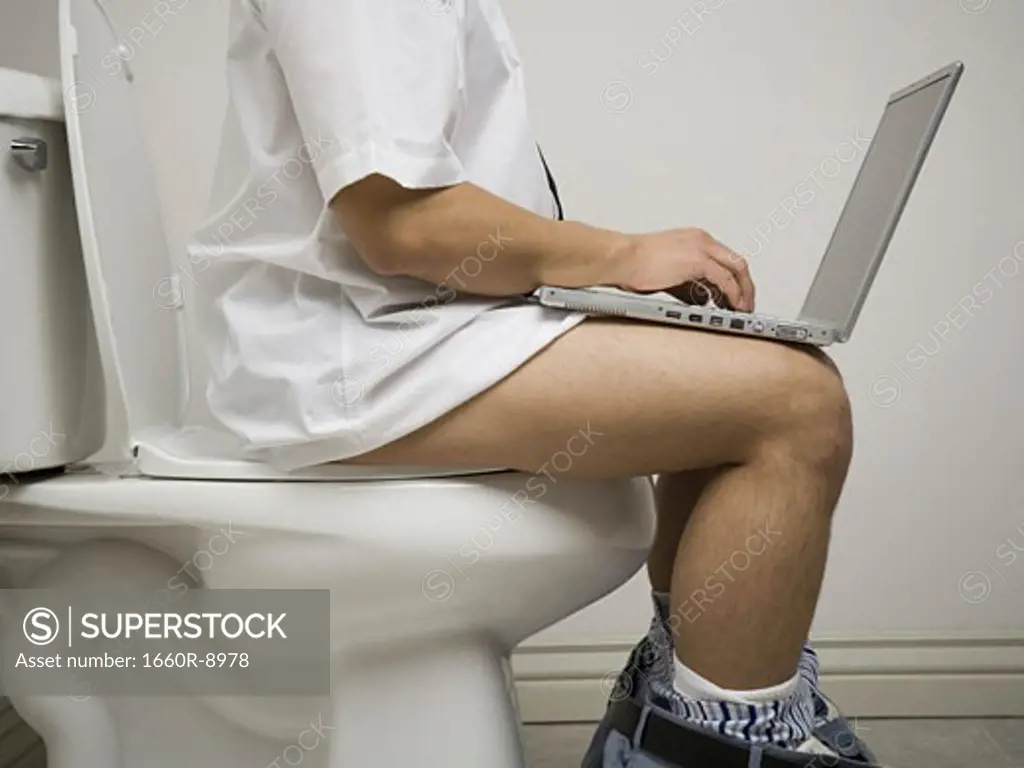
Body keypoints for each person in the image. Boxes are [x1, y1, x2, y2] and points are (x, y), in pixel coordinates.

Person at [188, 1, 884, 765]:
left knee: (737, 385)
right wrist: (620, 256)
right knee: (795, 405)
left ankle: (682, 725)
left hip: (401, 329)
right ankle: (719, 742)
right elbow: (401, 223)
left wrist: (607, 281)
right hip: (345, 350)